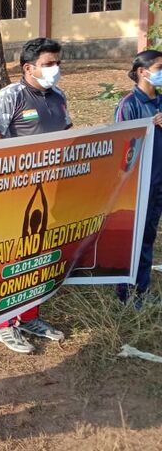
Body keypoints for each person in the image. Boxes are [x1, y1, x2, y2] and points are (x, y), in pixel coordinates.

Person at [0, 37, 70, 354]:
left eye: (58, 62)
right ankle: (5, 324)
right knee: (15, 258)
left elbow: (66, 138)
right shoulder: (9, 98)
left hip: (52, 190)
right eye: (49, 64)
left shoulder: (59, 97)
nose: (56, 69)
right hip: (16, 194)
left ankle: (31, 315)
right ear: (28, 68)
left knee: (41, 257)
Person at [115, 49, 162, 306]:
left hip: (158, 182)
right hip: (138, 185)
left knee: (148, 238)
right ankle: (126, 293)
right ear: (143, 72)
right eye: (159, 67)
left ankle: (142, 289)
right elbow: (122, 147)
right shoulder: (129, 105)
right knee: (132, 240)